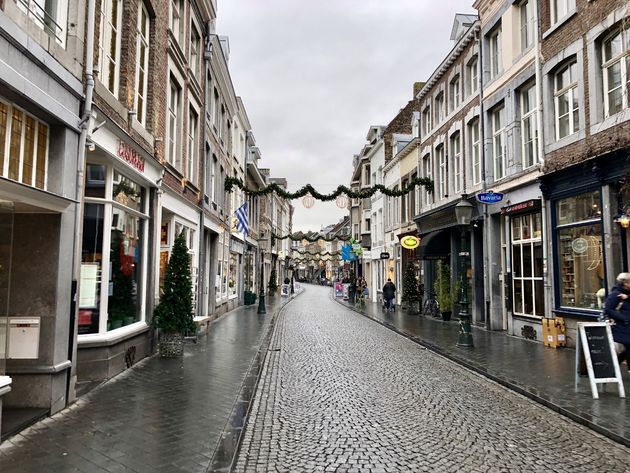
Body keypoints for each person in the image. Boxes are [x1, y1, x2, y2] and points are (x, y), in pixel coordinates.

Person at [603, 272, 630, 371]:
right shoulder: (616, 294)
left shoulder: (627, 294)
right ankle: (613, 367)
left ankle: (613, 367)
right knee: (628, 347)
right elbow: (608, 309)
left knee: (627, 348)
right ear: (625, 283)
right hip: (622, 326)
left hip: (627, 326)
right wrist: (623, 318)